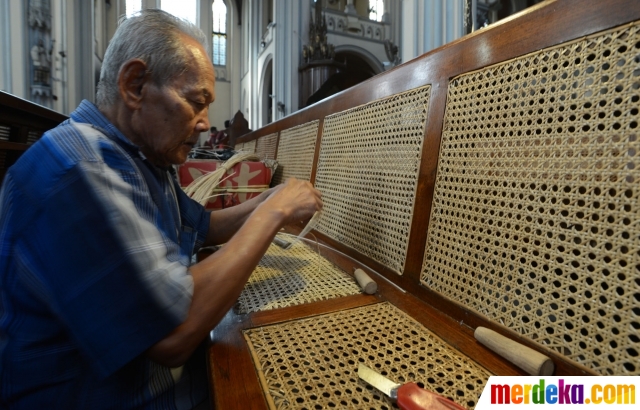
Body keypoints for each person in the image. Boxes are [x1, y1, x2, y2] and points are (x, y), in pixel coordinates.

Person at [0, 9, 321, 410]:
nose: (206, 123)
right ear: (134, 85)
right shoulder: (79, 168)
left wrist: (272, 199)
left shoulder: (144, 155)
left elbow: (203, 226)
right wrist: (272, 216)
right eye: (195, 102)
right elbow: (174, 332)